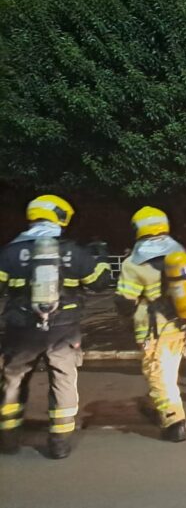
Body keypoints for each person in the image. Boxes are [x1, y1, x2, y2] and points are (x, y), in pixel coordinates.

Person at [0, 195, 110, 458]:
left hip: (21, 328)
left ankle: (8, 439)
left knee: (13, 379)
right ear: (60, 217)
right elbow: (100, 282)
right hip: (64, 328)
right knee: (63, 380)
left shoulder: (11, 252)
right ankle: (59, 442)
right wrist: (101, 256)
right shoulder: (72, 251)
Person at [114, 206, 186, 442]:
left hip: (154, 329)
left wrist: (125, 318)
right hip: (181, 324)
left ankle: (174, 422)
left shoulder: (134, 263)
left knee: (157, 373)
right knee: (167, 371)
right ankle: (153, 405)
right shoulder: (178, 252)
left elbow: (125, 302)